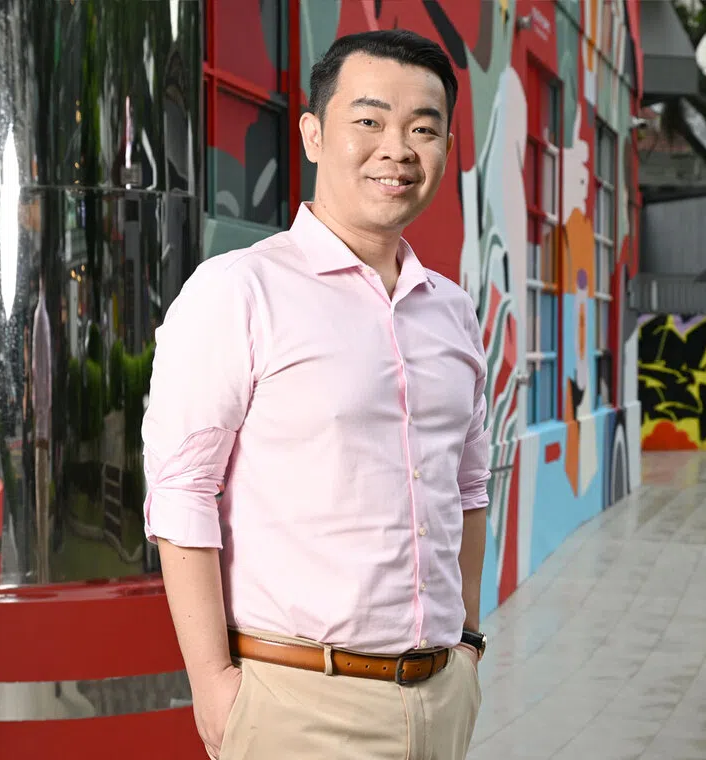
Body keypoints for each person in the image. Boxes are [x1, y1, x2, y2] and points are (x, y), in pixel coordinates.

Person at [141, 29, 490, 760]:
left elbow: (467, 488)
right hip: (296, 701)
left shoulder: (454, 312)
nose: (397, 149)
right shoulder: (239, 291)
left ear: (446, 148)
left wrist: (466, 646)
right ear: (312, 135)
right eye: (369, 120)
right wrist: (213, 685)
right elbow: (182, 490)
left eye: (423, 129)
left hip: (441, 698)